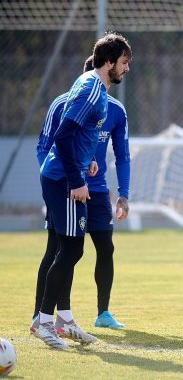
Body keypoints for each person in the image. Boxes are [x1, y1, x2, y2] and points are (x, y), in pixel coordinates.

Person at [30, 32, 132, 349]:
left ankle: (63, 318)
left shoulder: (89, 84)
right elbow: (62, 135)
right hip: (65, 181)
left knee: (69, 250)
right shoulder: (91, 89)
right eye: (124, 62)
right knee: (71, 250)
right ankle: (45, 322)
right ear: (109, 61)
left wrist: (85, 161)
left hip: (66, 175)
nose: (126, 69)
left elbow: (76, 136)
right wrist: (76, 178)